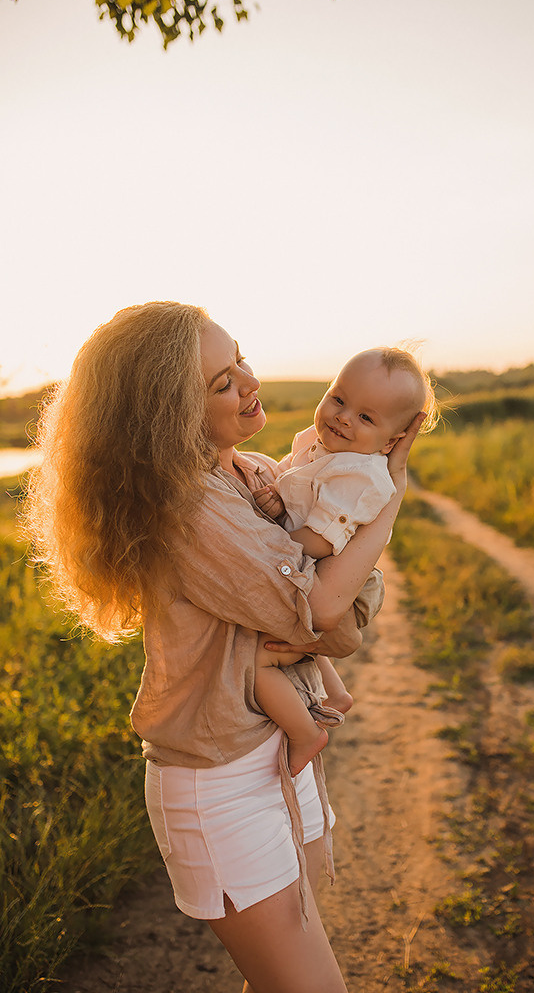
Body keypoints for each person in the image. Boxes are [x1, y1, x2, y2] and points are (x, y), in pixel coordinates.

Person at [24, 301, 424, 993]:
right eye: (220, 382)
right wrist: (391, 493)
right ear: (167, 414)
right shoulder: (188, 509)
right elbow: (326, 612)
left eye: (238, 358)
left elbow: (344, 623)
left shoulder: (257, 474)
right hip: (222, 774)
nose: (247, 380)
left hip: (272, 752)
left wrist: (328, 605)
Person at [251, 348, 439, 777]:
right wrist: (278, 498)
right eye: (338, 399)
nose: (343, 418)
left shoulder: (364, 477)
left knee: (260, 658)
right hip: (317, 566)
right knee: (294, 638)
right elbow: (295, 484)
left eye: (366, 418)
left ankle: (306, 734)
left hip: (345, 579)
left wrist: (264, 537)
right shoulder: (312, 442)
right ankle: (335, 696)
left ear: (391, 442)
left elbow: (318, 541)